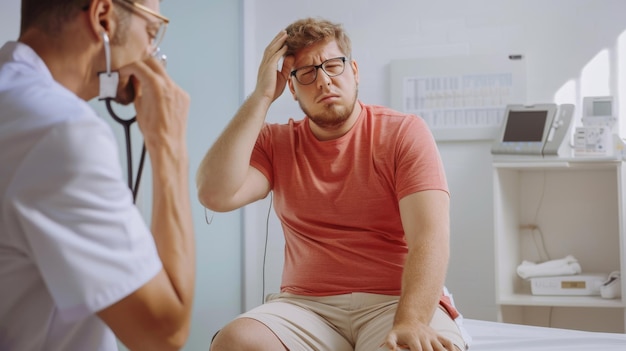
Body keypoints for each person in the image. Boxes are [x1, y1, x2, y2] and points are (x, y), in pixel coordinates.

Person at [197, 17, 469, 351]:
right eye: (307, 73)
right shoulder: (276, 142)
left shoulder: (403, 133)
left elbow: (430, 239)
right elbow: (214, 194)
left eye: (332, 66)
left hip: (394, 300)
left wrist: (410, 321)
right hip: (306, 307)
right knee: (234, 342)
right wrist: (261, 96)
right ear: (292, 88)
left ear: (353, 71)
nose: (324, 81)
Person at [0, 0, 195, 350]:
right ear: (103, 17)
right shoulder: (62, 131)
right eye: (151, 33)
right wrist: (170, 148)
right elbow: (164, 332)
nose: (153, 53)